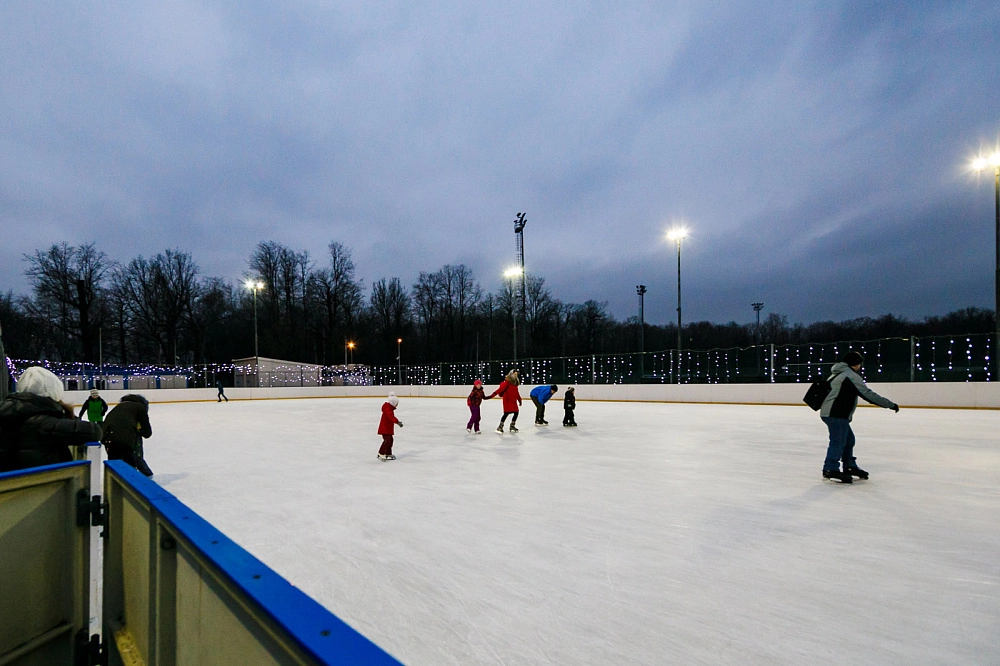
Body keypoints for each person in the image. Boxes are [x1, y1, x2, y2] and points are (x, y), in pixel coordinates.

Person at [0, 366, 103, 472]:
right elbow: (94, 431)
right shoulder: (44, 424)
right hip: (43, 484)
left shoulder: (6, 412)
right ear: (53, 393)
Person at [819, 351, 899, 483]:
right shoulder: (850, 376)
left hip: (834, 413)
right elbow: (867, 394)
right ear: (856, 363)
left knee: (848, 440)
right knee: (838, 441)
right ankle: (830, 468)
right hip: (836, 414)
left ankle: (849, 465)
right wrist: (890, 404)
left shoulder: (837, 373)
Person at [102, 394, 154, 477]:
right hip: (125, 440)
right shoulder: (140, 406)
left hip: (108, 438)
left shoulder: (119, 407)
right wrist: (140, 430)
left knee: (115, 467)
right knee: (129, 467)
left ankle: (114, 486)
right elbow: (147, 432)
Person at [488, 369, 522, 433]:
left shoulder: (515, 383)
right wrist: (492, 395)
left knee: (516, 413)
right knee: (506, 413)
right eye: (514, 374)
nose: (515, 376)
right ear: (511, 374)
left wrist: (519, 400)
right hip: (507, 401)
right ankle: (500, 427)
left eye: (516, 375)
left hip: (513, 401)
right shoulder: (507, 383)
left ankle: (512, 426)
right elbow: (500, 390)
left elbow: (517, 393)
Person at [378, 392, 403, 460]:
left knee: (390, 440)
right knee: (387, 440)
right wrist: (397, 422)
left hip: (387, 428)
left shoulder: (389, 408)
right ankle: (381, 453)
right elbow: (390, 417)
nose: (397, 405)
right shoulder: (388, 409)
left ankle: (388, 453)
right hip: (385, 428)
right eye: (396, 404)